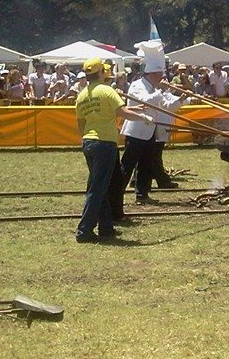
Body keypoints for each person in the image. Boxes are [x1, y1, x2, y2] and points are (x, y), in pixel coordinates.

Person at [74, 57, 153, 243]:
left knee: (100, 186)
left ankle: (106, 227)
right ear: (101, 72)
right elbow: (123, 112)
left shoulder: (82, 94)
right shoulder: (107, 91)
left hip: (89, 142)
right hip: (105, 143)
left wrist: (84, 140)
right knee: (98, 189)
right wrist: (143, 117)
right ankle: (84, 231)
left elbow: (81, 123)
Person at [120, 40, 185, 206]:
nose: (162, 79)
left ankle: (142, 194)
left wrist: (182, 98)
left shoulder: (156, 89)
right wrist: (161, 91)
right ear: (151, 74)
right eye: (159, 75)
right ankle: (116, 193)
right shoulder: (137, 85)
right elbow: (145, 101)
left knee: (146, 165)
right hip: (136, 132)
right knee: (127, 165)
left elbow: (167, 106)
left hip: (150, 132)